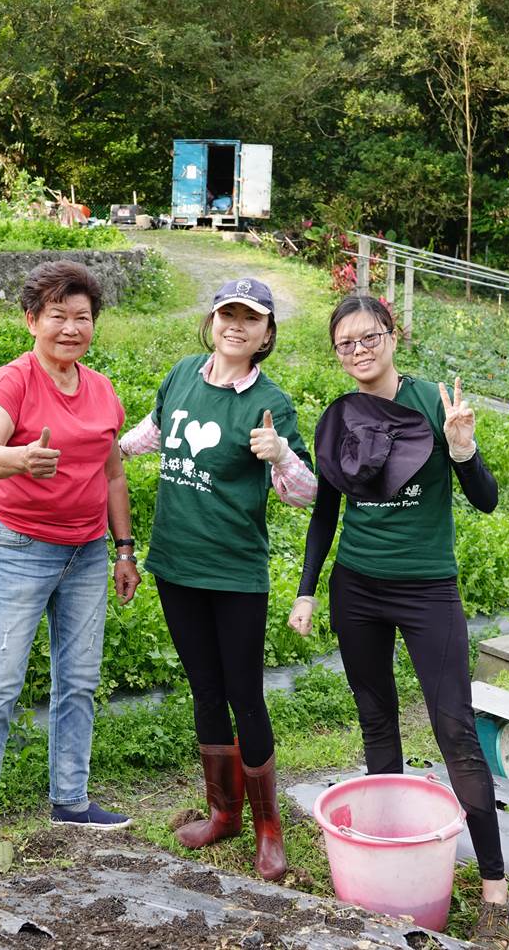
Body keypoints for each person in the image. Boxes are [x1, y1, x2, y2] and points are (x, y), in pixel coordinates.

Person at [288, 295, 509, 950]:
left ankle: (493, 887)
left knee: (454, 730)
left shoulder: (431, 406)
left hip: (427, 591)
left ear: (394, 335)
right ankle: (387, 866)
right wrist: (306, 592)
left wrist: (464, 449)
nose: (359, 351)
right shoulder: (340, 419)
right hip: (356, 589)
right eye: (345, 344)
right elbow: (325, 513)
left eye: (369, 337)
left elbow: (487, 501)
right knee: (377, 721)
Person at [120, 278, 316, 881]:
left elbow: (305, 495)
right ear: (212, 320)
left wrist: (279, 454)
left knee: (244, 694)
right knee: (204, 690)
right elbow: (149, 437)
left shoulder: (272, 403)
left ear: (266, 334)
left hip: (234, 572)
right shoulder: (181, 374)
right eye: (227, 313)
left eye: (250, 318)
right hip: (176, 565)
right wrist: (101, 450)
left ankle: (268, 830)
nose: (236, 325)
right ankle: (222, 813)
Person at [0, 261, 140, 852]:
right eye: (57, 315)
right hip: (19, 548)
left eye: (81, 317)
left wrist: (124, 548)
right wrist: (22, 459)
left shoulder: (102, 388)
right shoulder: (13, 381)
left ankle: (71, 801)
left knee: (78, 681)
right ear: (32, 319)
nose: (70, 327)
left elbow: (112, 475)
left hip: (85, 553)